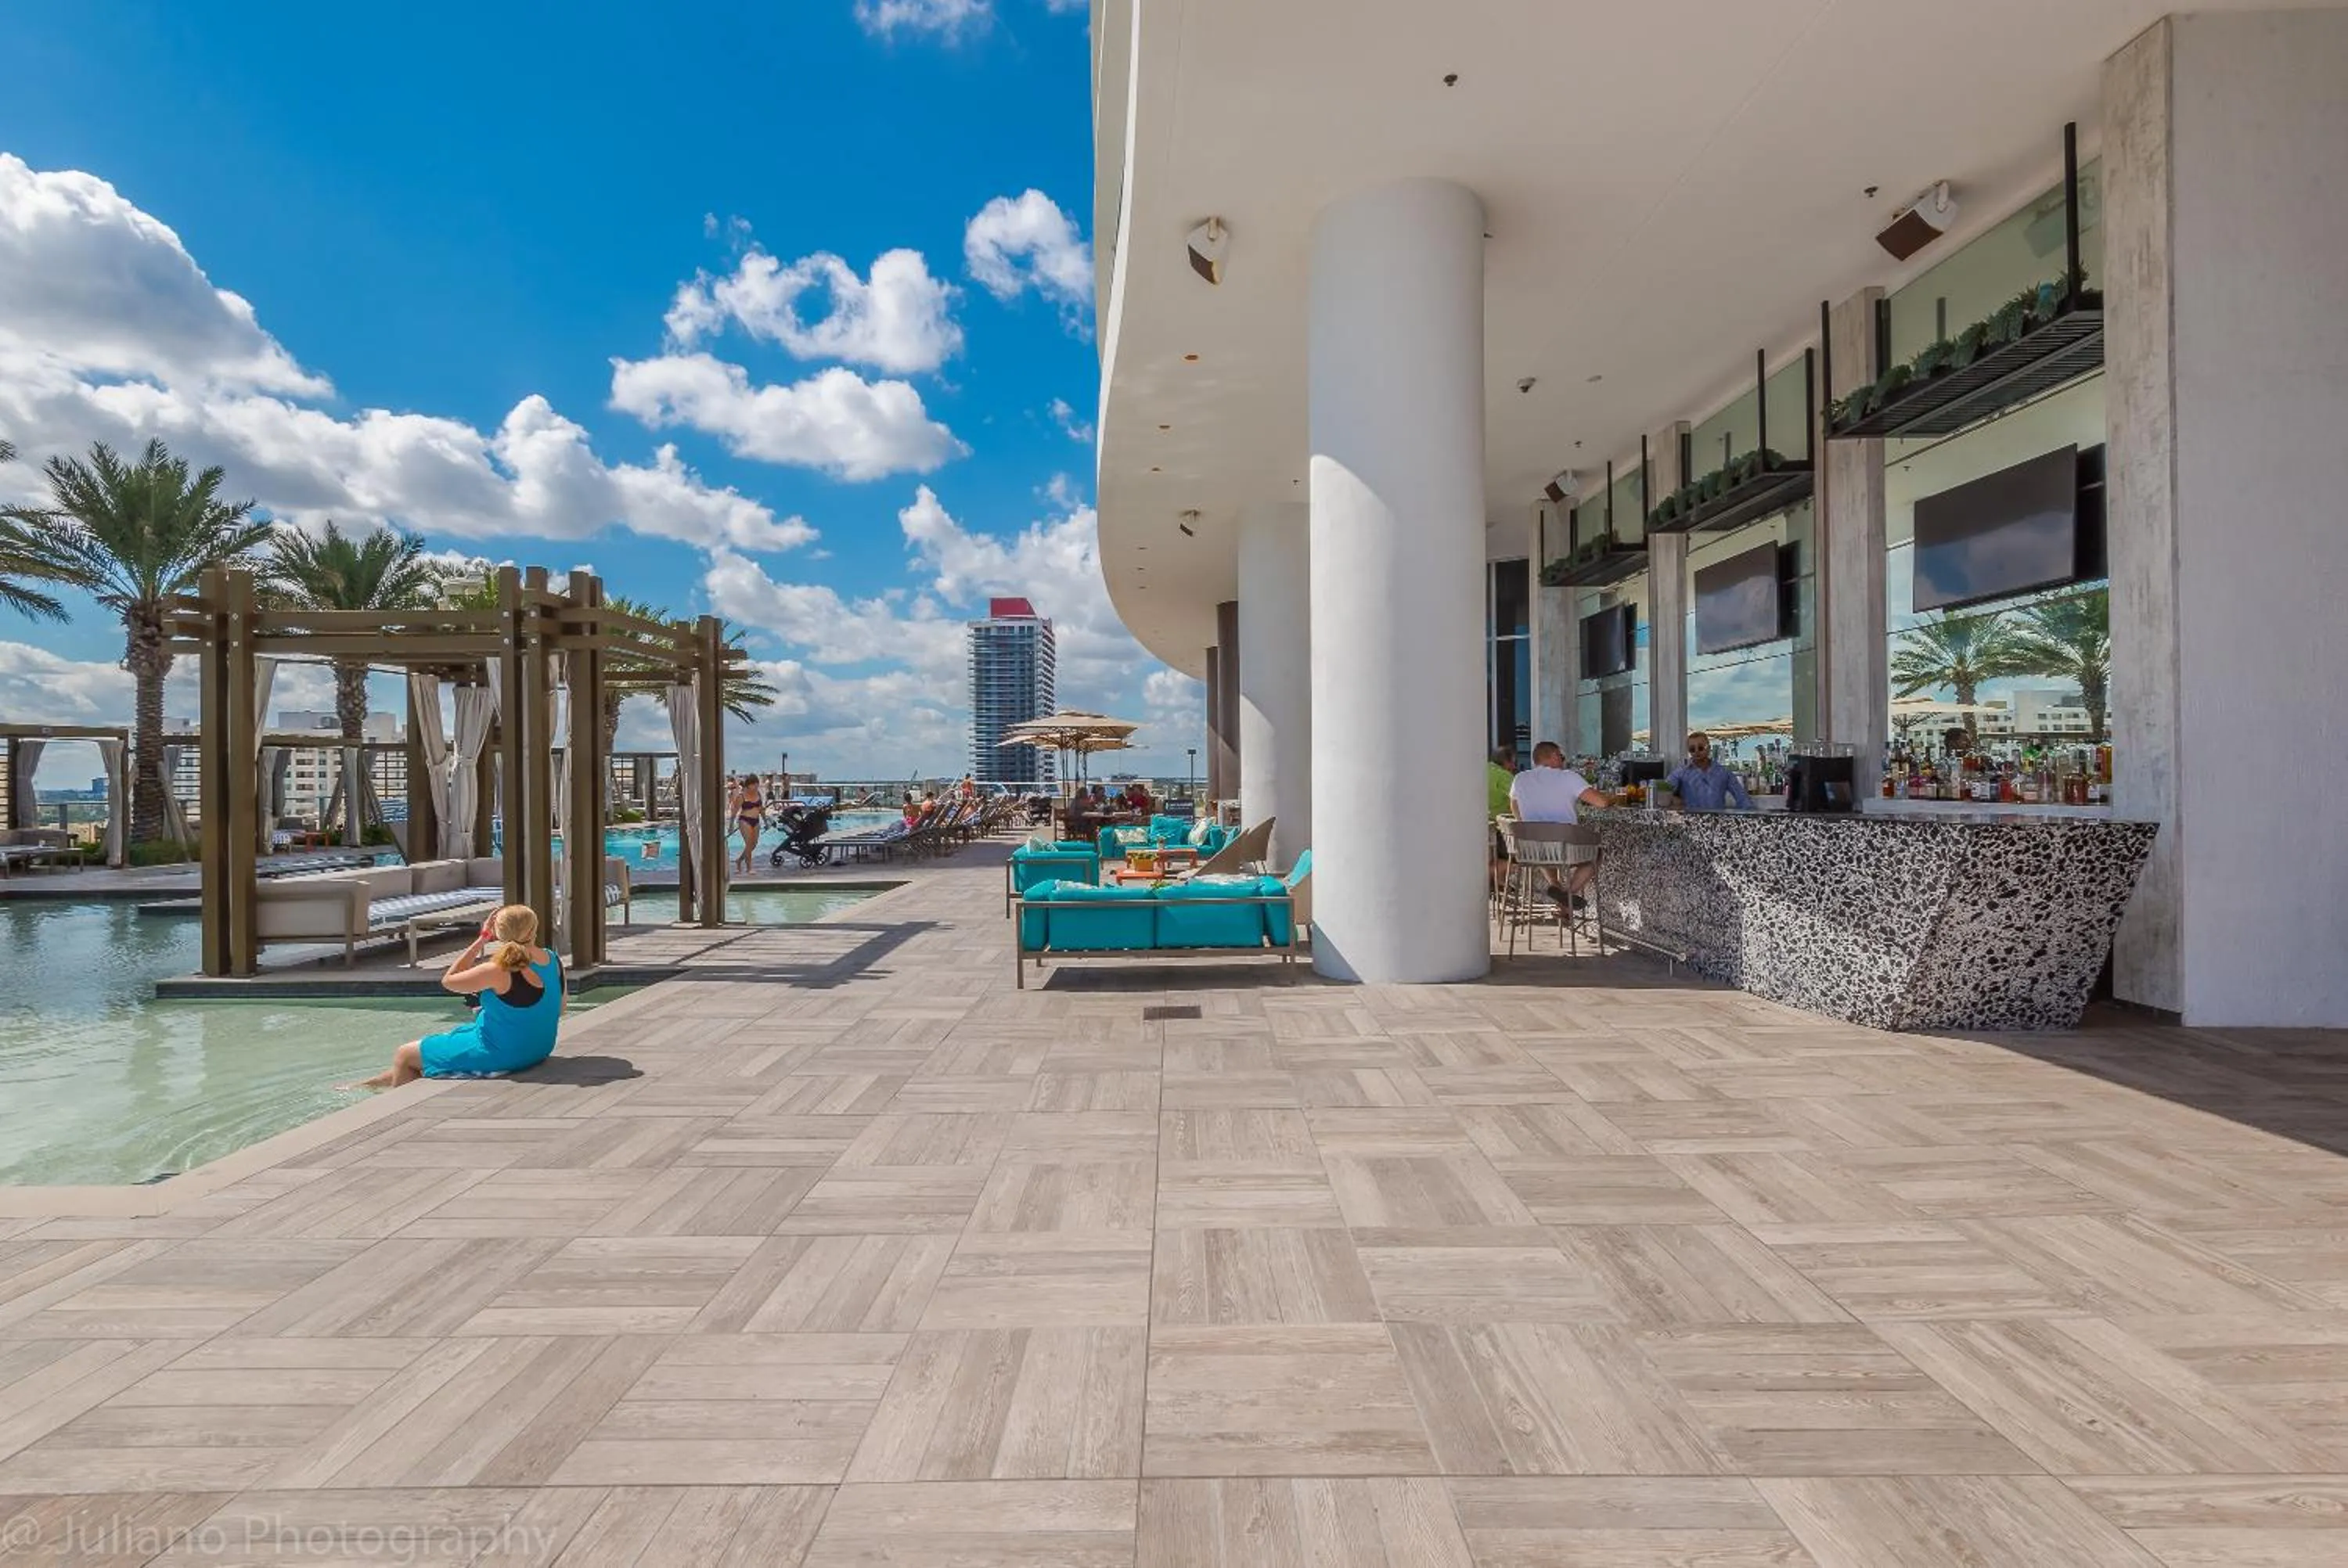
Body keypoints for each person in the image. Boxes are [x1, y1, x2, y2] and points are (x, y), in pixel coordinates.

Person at [344, 905, 563, 1088]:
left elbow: (449, 980)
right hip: (538, 1047)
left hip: (504, 1053)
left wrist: (481, 940)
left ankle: (388, 1112)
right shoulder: (552, 960)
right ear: (534, 929)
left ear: (499, 934)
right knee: (438, 1045)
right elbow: (560, 1009)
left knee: (404, 1054)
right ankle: (369, 1084)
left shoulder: (497, 969)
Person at [1507, 740, 1612, 908]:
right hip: (1565, 850)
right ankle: (1567, 897)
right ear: (1554, 756)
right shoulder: (1568, 777)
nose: (1563, 762)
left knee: (1542, 839)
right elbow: (1602, 803)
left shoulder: (1520, 779)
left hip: (1531, 850)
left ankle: (1556, 888)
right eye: (1561, 757)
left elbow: (1513, 803)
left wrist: (1524, 823)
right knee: (1596, 854)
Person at [1665, 731, 1754, 812]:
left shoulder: (1724, 773)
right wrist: (1673, 799)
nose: (1696, 752)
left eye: (1701, 748)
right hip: (1690, 823)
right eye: (1692, 749)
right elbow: (1661, 792)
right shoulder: (1681, 773)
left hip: (1717, 823)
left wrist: (1750, 816)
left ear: (1709, 748)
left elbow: (1742, 798)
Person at [1486, 745, 1518, 894]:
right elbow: (1518, 798)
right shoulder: (1503, 776)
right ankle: (1490, 873)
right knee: (1520, 856)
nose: (1514, 766)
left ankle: (1498, 883)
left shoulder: (1483, 769)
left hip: (1485, 825)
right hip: (1498, 827)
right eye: (1512, 762)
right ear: (1506, 762)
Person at [730, 774, 765, 874]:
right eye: (754, 785)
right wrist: (731, 825)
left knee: (754, 845)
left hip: (756, 820)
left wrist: (766, 820)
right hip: (745, 820)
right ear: (749, 785)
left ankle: (739, 860)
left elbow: (761, 809)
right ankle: (749, 868)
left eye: (757, 785)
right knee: (749, 843)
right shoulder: (741, 796)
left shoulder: (758, 794)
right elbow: (734, 811)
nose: (756, 787)